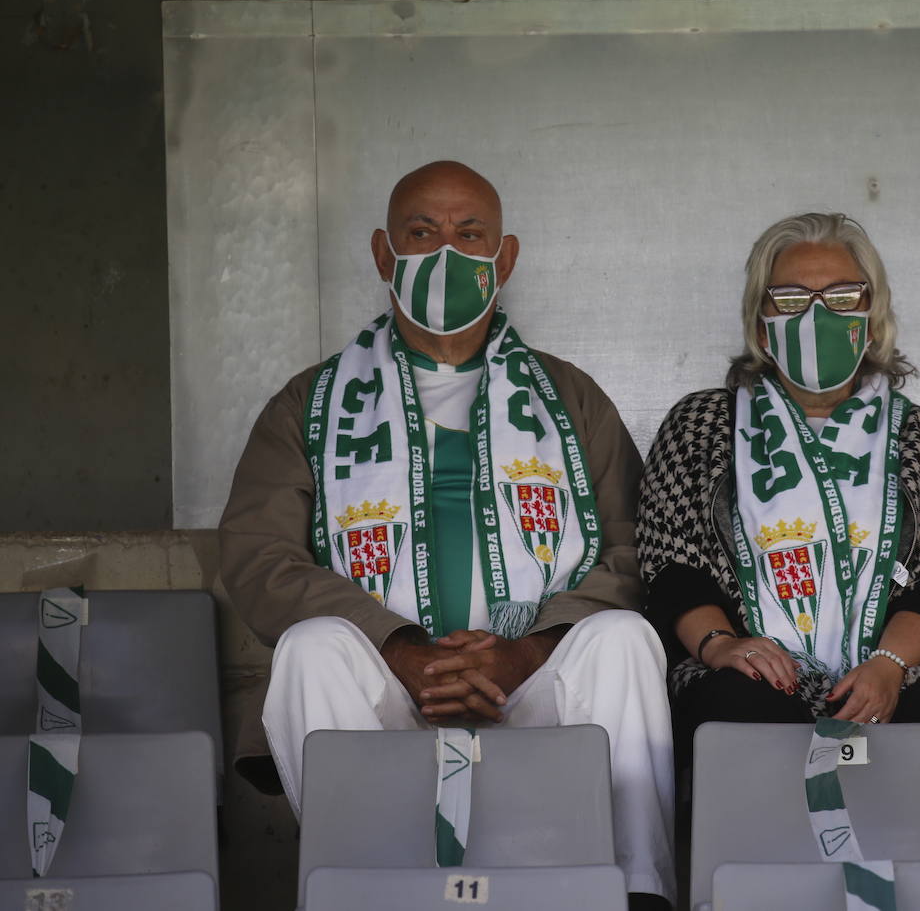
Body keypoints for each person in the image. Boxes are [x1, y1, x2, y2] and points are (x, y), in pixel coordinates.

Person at [219, 160, 674, 908]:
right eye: (421, 232)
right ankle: (357, 891)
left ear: (506, 258)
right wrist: (400, 648)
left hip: (531, 683)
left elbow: (632, 547)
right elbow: (258, 556)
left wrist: (527, 651)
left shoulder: (569, 397)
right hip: (387, 688)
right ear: (381, 253)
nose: (445, 253)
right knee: (310, 651)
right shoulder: (313, 401)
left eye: (470, 235)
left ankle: (638, 893)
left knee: (624, 639)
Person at [637, 211, 920, 857]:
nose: (816, 316)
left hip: (896, 670)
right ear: (760, 317)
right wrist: (721, 646)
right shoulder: (702, 426)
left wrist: (888, 665)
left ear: (871, 314)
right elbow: (668, 562)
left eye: (841, 297)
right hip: (755, 670)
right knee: (733, 705)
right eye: (791, 299)